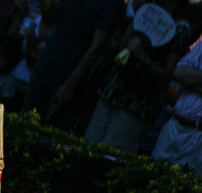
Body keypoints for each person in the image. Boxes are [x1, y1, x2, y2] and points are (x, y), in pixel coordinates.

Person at [84, 1, 200, 154]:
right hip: (113, 92)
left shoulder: (180, 29)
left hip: (137, 105)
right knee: (87, 147)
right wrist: (137, 18)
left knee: (108, 156)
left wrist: (142, 56)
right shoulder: (145, 11)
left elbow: (167, 74)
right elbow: (122, 47)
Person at [22, 0, 126, 130]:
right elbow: (49, 16)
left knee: (48, 133)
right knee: (23, 124)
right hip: (45, 65)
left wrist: (70, 85)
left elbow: (96, 46)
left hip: (68, 75)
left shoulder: (111, 4)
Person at [151, 33, 202, 174]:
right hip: (174, 126)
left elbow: (184, 77)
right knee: (152, 177)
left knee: (185, 190)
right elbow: (179, 73)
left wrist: (191, 81)